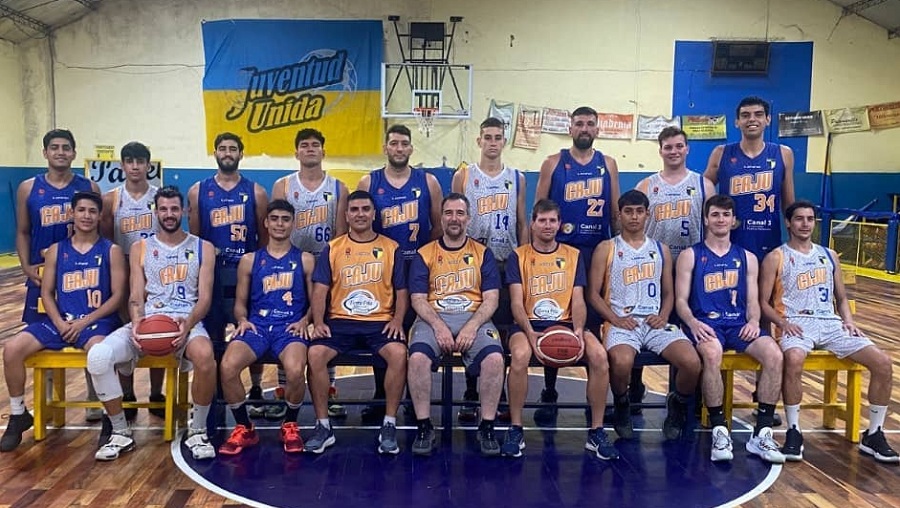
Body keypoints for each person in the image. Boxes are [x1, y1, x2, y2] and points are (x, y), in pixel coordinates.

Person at [758, 200, 898, 463]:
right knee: (794, 359)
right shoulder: (776, 257)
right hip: (795, 322)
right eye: (799, 219)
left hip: (831, 324)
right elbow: (762, 303)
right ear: (788, 223)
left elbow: (841, 298)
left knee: (883, 363)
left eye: (810, 219)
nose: (805, 224)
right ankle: (794, 430)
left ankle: (874, 434)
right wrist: (782, 323)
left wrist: (849, 321)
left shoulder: (829, 255)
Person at [86, 186, 217, 461]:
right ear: (155, 212)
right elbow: (136, 295)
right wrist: (136, 323)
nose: (169, 214)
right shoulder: (140, 248)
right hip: (148, 321)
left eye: (174, 209)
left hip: (186, 320)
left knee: (206, 358)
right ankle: (120, 432)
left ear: (184, 211)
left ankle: (198, 431)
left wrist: (188, 324)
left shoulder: (203, 248)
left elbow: (204, 299)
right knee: (98, 357)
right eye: (163, 209)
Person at [2, 192, 125, 452]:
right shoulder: (57, 250)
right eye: (81, 210)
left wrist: (84, 322)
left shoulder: (111, 250)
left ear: (99, 216)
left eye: (92, 211)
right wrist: (59, 323)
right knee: (12, 349)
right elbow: (46, 293)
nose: (86, 216)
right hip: (61, 321)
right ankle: (18, 414)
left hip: (97, 321)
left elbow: (117, 297)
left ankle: (110, 418)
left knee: (101, 354)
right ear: (72, 214)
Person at [501, 199, 619, 460]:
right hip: (529, 324)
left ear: (559, 224)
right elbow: (516, 303)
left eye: (552, 220)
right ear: (533, 224)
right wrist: (530, 332)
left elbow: (578, 300)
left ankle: (597, 431)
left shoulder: (573, 255)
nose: (547, 225)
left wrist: (578, 329)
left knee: (599, 356)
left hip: (566, 324)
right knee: (519, 356)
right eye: (542, 220)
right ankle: (516, 428)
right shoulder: (518, 256)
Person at [705, 95, 796, 427]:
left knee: (764, 312)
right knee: (721, 307)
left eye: (758, 114)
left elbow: (788, 201)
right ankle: (714, 392)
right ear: (737, 121)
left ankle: (762, 393)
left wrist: (792, 242)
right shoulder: (722, 153)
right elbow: (705, 186)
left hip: (767, 244)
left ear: (768, 120)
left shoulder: (783, 153)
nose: (752, 119)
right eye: (745, 115)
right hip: (730, 245)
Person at [674, 195, 785, 463]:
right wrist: (692, 323)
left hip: (738, 324)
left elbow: (753, 301)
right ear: (705, 219)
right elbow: (680, 301)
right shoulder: (690, 255)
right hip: (706, 324)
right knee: (712, 354)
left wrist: (754, 321)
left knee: (775, 355)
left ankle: (762, 433)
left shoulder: (747, 258)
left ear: (734, 220)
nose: (720, 219)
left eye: (725, 215)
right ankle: (719, 430)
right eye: (715, 214)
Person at [587, 190, 701, 440]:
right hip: (621, 322)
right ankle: (622, 403)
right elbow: (593, 294)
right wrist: (614, 319)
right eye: (628, 211)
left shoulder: (660, 249)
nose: (634, 217)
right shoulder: (607, 248)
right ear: (619, 215)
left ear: (648, 214)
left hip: (653, 322)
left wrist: (664, 315)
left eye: (639, 211)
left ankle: (677, 404)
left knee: (692, 363)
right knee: (622, 362)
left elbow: (669, 292)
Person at [533, 106, 621, 422]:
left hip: (597, 251)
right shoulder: (553, 163)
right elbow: (538, 209)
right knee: (554, 317)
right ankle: (549, 389)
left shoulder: (608, 164)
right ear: (570, 129)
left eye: (590, 124)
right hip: (560, 253)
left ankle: (596, 395)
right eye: (579, 123)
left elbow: (615, 211)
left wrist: (621, 249)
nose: (584, 128)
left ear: (597, 129)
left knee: (594, 322)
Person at [305, 190, 409, 454]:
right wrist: (318, 321)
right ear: (346, 215)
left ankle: (389, 423)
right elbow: (320, 289)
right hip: (341, 321)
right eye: (354, 209)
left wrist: (398, 319)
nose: (360, 214)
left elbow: (401, 290)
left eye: (365, 209)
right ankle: (323, 425)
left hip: (379, 322)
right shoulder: (333, 248)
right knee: (315, 354)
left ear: (374, 214)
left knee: (399, 354)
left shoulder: (391, 248)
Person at [15, 129, 103, 422]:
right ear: (45, 153)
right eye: (55, 147)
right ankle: (50, 401)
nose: (61, 152)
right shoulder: (29, 188)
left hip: (81, 273)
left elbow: (99, 232)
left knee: (89, 331)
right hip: (42, 275)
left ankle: (94, 397)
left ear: (74, 153)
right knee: (44, 334)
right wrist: (26, 266)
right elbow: (23, 231)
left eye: (66, 147)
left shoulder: (88, 186)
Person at [356, 124, 442, 423]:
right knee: (384, 331)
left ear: (411, 148)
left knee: (416, 332)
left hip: (418, 266)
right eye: (394, 143)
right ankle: (382, 395)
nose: (399, 148)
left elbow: (437, 225)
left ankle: (413, 397)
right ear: (385, 148)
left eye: (404, 143)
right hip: (381, 267)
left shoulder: (428, 181)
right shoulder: (369, 181)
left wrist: (429, 261)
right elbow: (361, 222)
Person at [407, 193, 504, 456]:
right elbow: (417, 299)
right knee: (417, 358)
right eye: (449, 213)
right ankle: (424, 426)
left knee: (495, 359)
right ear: (441, 218)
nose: (454, 218)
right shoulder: (425, 253)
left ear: (468, 218)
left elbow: (492, 299)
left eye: (460, 213)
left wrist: (472, 326)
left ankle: (487, 426)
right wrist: (438, 326)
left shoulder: (482, 253)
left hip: (474, 316)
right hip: (432, 316)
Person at [217, 199, 315, 456]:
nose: (280, 224)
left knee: (295, 370)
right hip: (258, 326)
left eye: (285, 219)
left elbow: (315, 301)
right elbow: (240, 304)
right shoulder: (250, 260)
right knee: (227, 366)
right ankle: (244, 427)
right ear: (266, 222)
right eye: (275, 219)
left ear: (293, 224)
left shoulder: (305, 259)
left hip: (289, 328)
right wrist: (242, 320)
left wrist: (305, 320)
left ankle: (290, 424)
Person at [631, 127, 715, 417]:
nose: (674, 151)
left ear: (687, 148)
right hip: (653, 267)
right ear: (660, 150)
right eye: (668, 147)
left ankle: (685, 397)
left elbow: (712, 227)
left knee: (689, 330)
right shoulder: (646, 185)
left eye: (679, 146)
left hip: (692, 266)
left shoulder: (704, 184)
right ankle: (635, 386)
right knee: (645, 323)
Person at [187, 132, 269, 420]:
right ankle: (214, 394)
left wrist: (256, 268)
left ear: (241, 154)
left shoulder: (256, 192)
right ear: (215, 153)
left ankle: (256, 387)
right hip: (213, 273)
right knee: (213, 334)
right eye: (222, 148)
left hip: (245, 271)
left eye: (233, 148)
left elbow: (263, 237)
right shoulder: (198, 191)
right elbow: (195, 237)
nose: (227, 153)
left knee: (250, 329)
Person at [451, 116, 527, 423]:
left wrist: (524, 259)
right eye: (488, 137)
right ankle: (471, 391)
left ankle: (499, 391)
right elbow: (454, 217)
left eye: (498, 137)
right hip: (472, 262)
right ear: (479, 141)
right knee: (473, 324)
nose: (493, 142)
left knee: (504, 329)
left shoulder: (517, 177)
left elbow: (521, 220)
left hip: (506, 259)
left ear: (504, 141)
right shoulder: (464, 175)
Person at [272, 128, 349, 419]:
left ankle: (329, 390)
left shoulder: (338, 187)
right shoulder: (283, 185)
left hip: (324, 264)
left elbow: (340, 233)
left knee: (325, 325)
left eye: (315, 145)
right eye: (304, 145)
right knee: (286, 323)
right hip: (290, 264)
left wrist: (332, 265)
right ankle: (283, 391)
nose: (310, 149)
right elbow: (276, 226)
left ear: (323, 151)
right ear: (296, 152)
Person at [100, 141, 165, 421]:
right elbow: (106, 241)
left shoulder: (160, 196)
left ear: (149, 165)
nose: (135, 166)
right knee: (125, 331)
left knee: (157, 327)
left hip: (155, 268)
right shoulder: (112, 199)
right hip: (123, 270)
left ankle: (156, 393)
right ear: (122, 165)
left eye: (140, 161)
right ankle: (127, 393)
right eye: (130, 161)